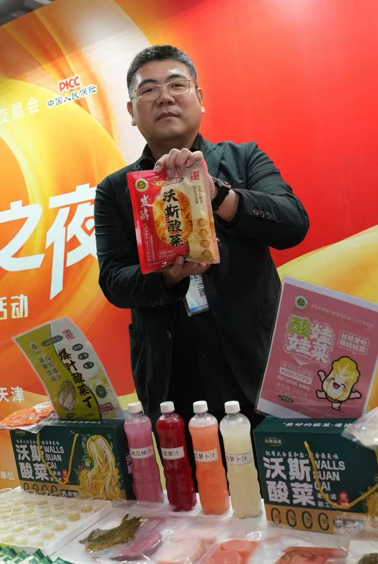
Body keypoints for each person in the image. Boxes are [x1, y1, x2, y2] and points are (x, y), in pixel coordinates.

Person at [94, 45, 309, 430]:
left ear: (199, 97)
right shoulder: (114, 190)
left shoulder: (244, 158)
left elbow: (293, 223)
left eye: (177, 85)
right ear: (131, 112)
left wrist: (218, 194)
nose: (164, 97)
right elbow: (112, 281)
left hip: (258, 360)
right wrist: (167, 276)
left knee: (274, 465)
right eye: (148, 90)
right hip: (170, 370)